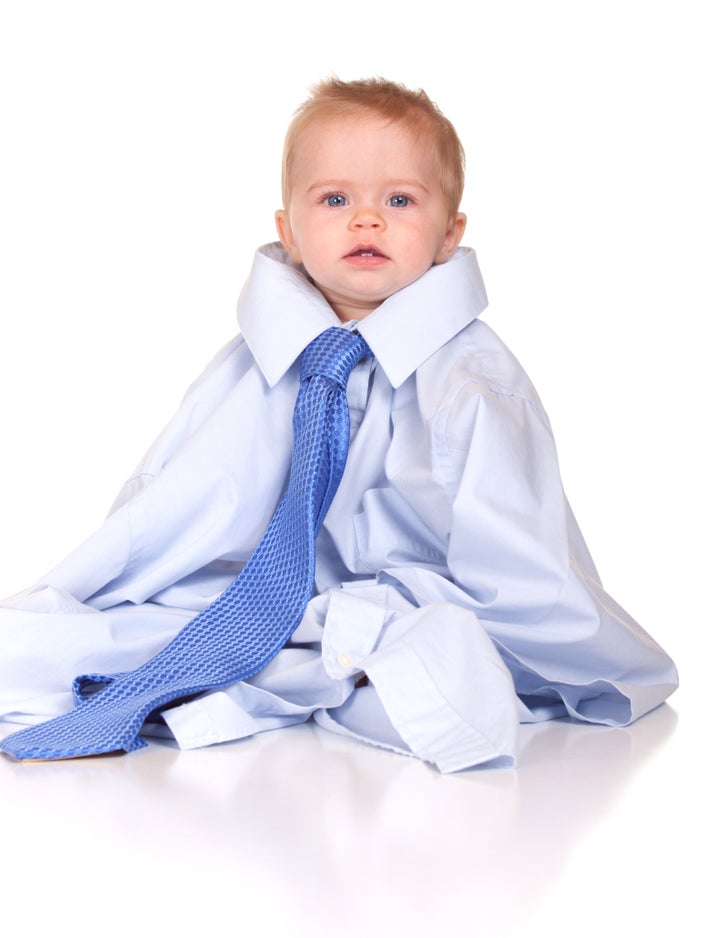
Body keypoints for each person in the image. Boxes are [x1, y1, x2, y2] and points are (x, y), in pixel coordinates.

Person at [0, 77, 677, 771]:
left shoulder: (473, 386)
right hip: (257, 600)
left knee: (445, 666)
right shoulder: (247, 368)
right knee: (44, 642)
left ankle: (348, 666)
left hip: (417, 606)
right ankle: (266, 660)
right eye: (335, 199)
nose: (367, 219)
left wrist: (378, 609)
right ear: (288, 232)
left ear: (450, 234)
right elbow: (174, 500)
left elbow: (520, 567)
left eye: (400, 200)